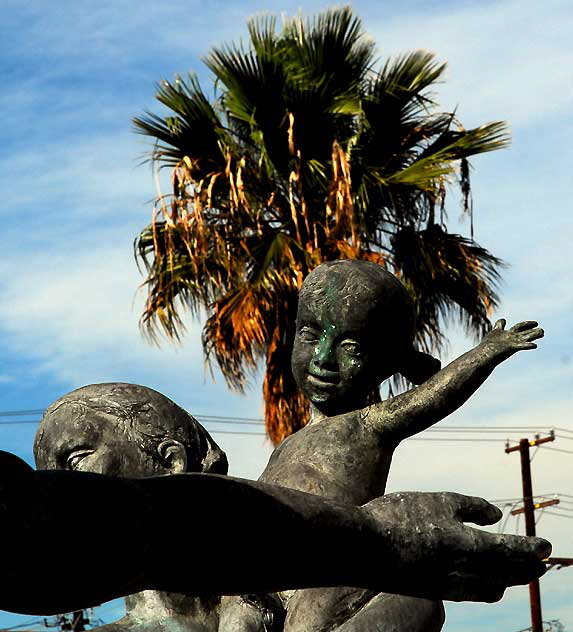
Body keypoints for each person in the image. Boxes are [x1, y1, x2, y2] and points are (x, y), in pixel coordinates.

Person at [258, 259, 545, 631]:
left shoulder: (368, 425)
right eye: (311, 336)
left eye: (351, 346)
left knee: (420, 599)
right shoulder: (286, 446)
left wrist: (487, 352)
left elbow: (433, 397)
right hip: (263, 583)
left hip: (326, 582)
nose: (323, 359)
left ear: (388, 363)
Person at [34, 382, 282, 631]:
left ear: (172, 463)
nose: (57, 493)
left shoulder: (285, 594)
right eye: (47, 479)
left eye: (75, 461)